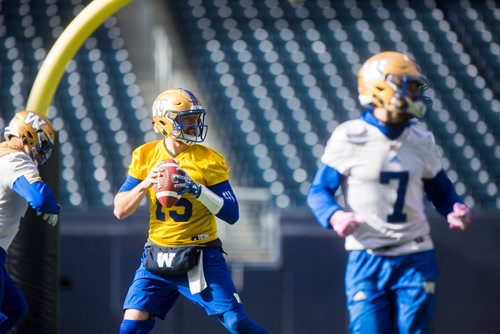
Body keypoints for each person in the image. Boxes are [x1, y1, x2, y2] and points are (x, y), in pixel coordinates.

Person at [307, 51, 472, 334]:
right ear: (380, 87)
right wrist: (335, 216)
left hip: (415, 253)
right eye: (408, 86)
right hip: (366, 255)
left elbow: (441, 191)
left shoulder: (421, 139)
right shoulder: (350, 135)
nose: (415, 94)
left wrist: (454, 208)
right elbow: (319, 191)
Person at [114, 88, 269, 334]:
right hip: (157, 254)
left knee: (237, 323)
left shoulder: (208, 160)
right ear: (165, 122)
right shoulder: (145, 155)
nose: (194, 125)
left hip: (201, 255)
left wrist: (197, 190)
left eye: (195, 119)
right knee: (131, 326)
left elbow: (231, 213)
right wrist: (145, 183)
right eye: (187, 119)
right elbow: (120, 210)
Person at [0, 110, 60, 333]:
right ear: (29, 136)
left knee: (14, 307)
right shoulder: (16, 158)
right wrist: (54, 208)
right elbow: (40, 198)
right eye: (42, 145)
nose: (41, 153)